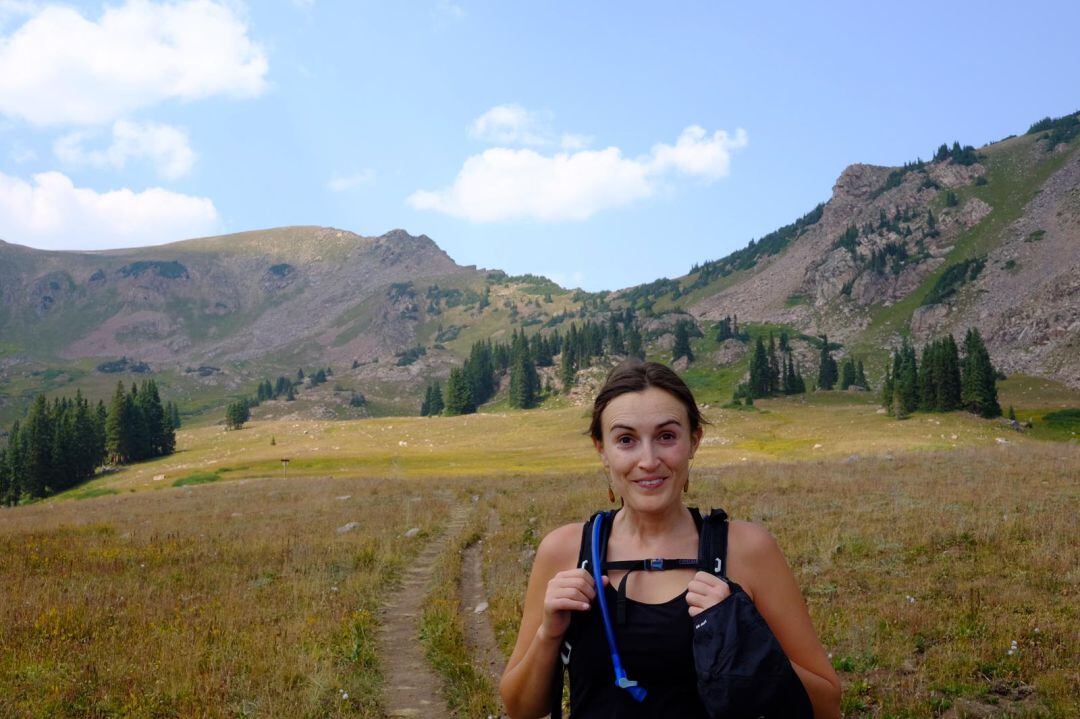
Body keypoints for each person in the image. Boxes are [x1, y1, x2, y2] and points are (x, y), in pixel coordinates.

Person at [499, 360, 841, 718]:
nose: (648, 460)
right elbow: (522, 708)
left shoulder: (747, 550)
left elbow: (827, 705)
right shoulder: (564, 552)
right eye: (626, 440)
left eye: (666, 436)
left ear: (694, 441)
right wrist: (549, 635)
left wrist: (746, 639)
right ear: (601, 449)